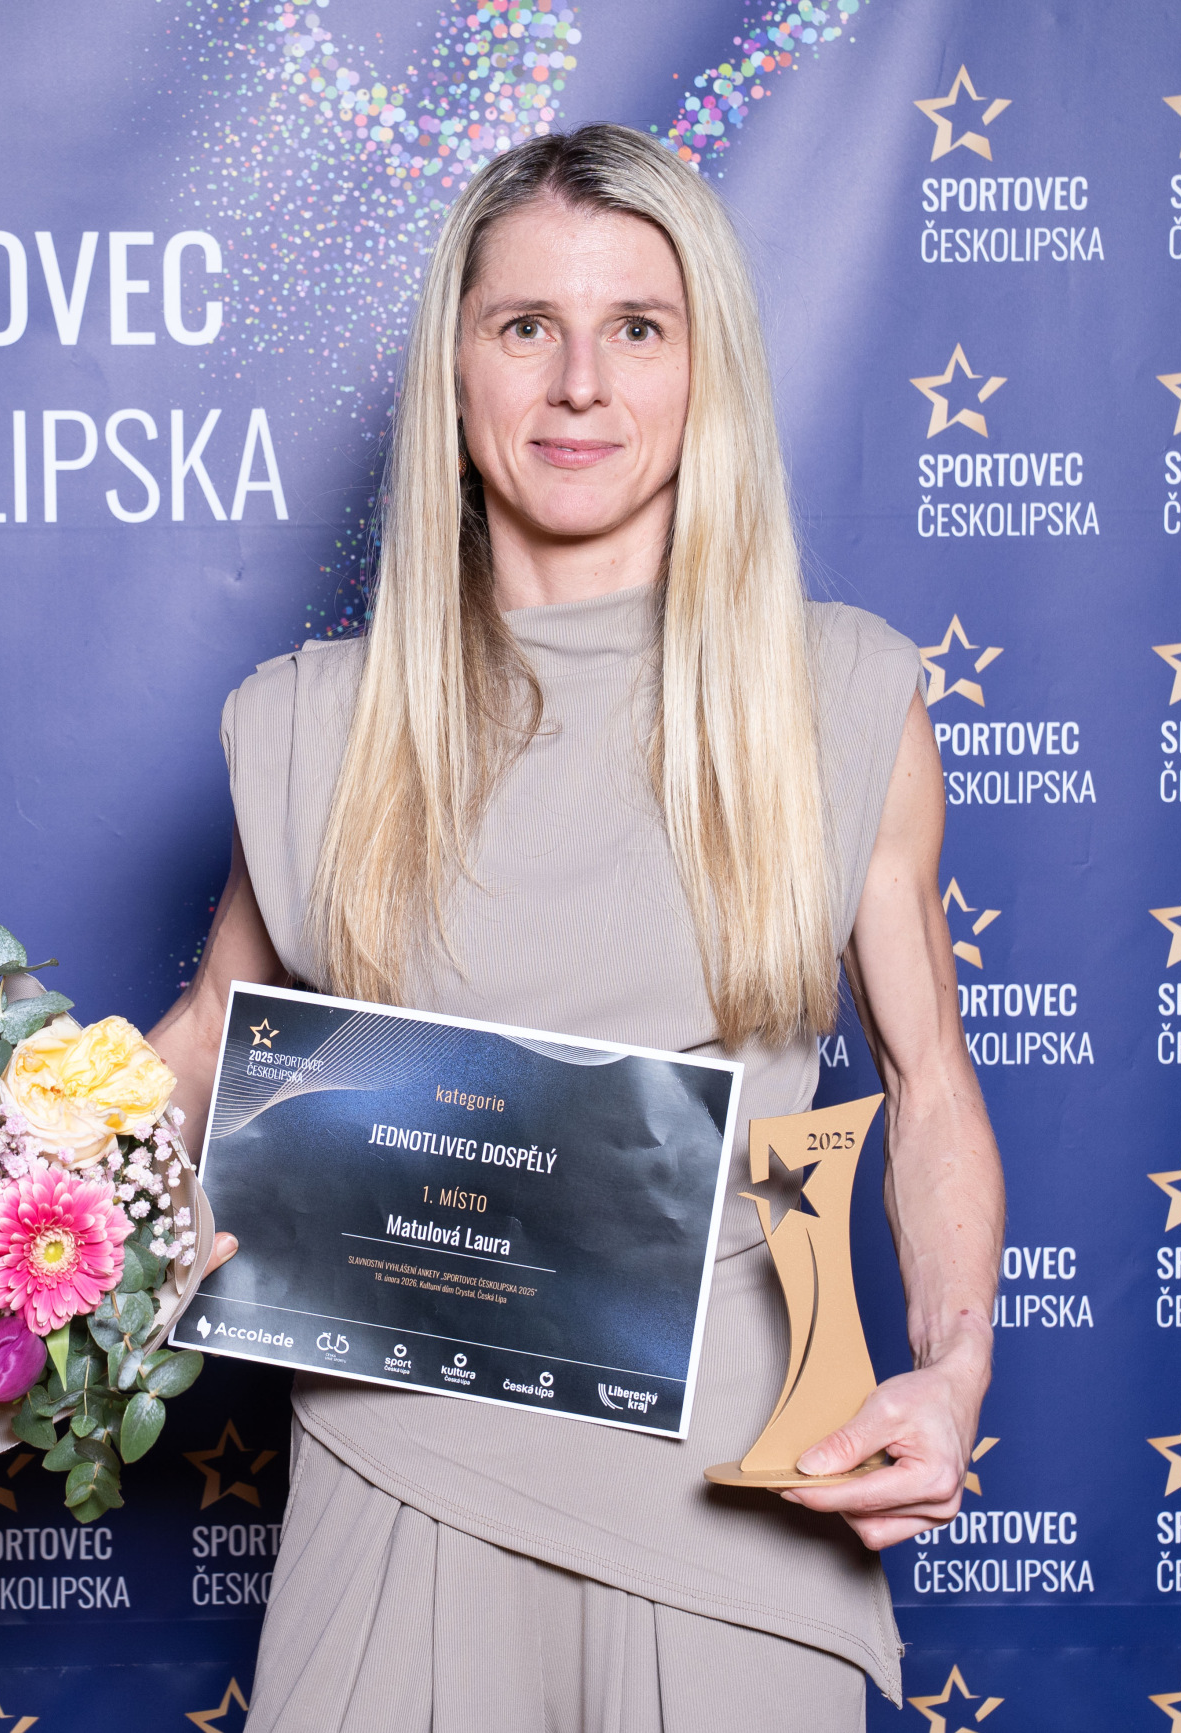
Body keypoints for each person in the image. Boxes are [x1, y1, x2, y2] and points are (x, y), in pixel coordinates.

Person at [146, 123, 1004, 1733]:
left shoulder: (839, 692)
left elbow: (931, 1078)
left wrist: (952, 1364)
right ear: (455, 366)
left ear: (704, 368)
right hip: (392, 1467)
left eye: (638, 328)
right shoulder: (317, 718)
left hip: (742, 1486)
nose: (580, 386)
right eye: (526, 325)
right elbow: (203, 1038)